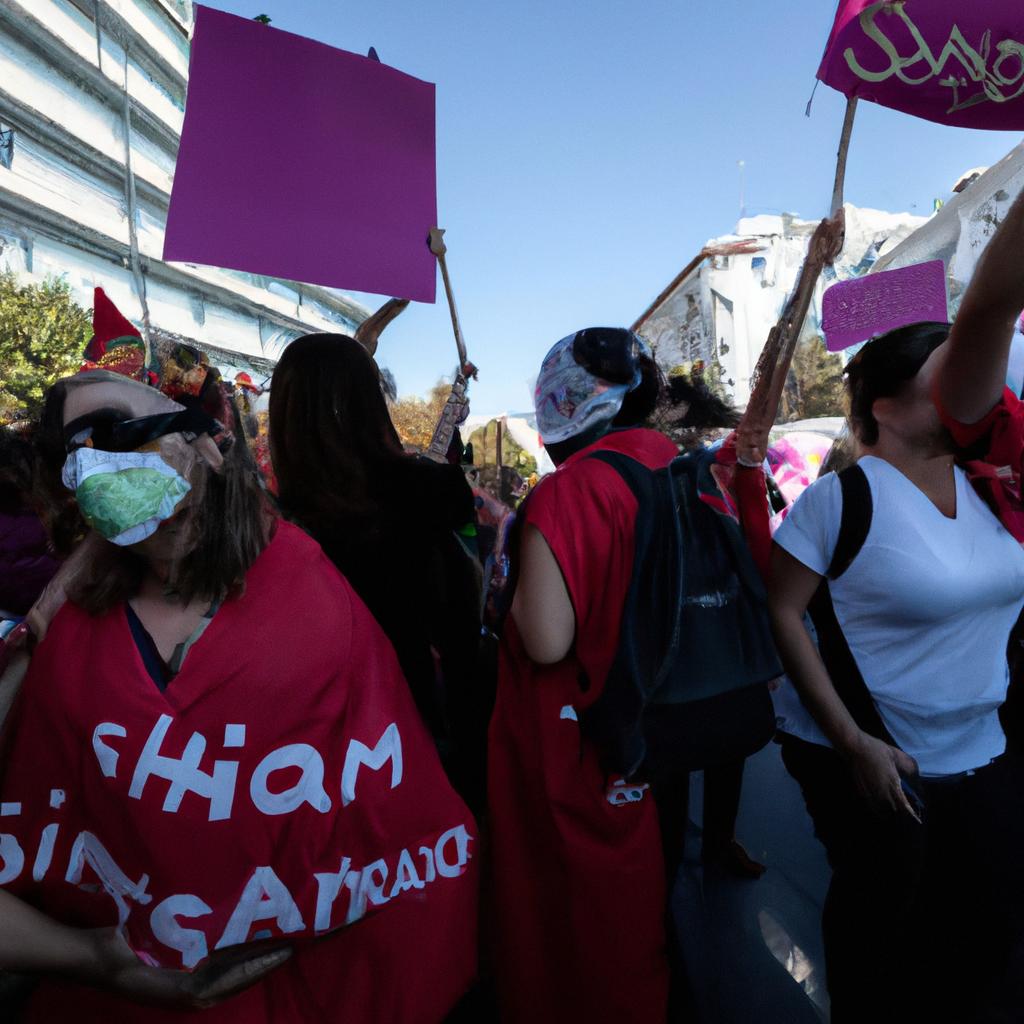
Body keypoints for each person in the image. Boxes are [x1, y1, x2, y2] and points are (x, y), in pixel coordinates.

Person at [0, 293, 478, 1022]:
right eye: (84, 450)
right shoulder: (66, 637)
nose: (111, 455)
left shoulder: (308, 579)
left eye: (128, 425)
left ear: (210, 440)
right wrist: (99, 961)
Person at [768, 321, 1024, 1023]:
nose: (977, 381)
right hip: (882, 760)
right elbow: (784, 613)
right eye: (951, 369)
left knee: (989, 929)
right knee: (886, 937)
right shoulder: (837, 502)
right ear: (885, 408)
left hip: (986, 749)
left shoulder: (995, 489)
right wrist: (852, 743)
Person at [487, 327, 675, 1024]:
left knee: (575, 922)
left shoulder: (573, 493)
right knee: (642, 899)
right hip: (668, 725)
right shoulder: (679, 469)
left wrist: (503, 577)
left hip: (579, 748)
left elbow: (545, 641)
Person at [267, 333, 485, 807]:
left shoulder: (267, 526)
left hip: (310, 765)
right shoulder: (430, 493)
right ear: (370, 401)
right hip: (429, 735)